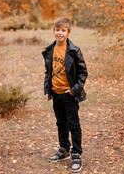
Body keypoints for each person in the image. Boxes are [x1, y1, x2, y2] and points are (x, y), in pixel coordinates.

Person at [42, 17, 88, 173]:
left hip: (69, 94)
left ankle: (76, 153)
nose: (59, 33)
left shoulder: (74, 50)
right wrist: (47, 89)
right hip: (56, 93)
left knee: (73, 125)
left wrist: (74, 90)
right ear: (53, 31)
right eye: (57, 30)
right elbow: (49, 72)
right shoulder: (50, 50)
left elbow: (83, 73)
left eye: (63, 30)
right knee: (60, 123)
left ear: (68, 32)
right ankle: (64, 150)